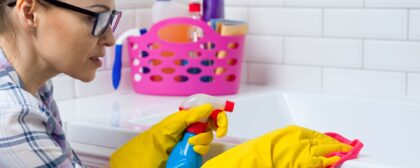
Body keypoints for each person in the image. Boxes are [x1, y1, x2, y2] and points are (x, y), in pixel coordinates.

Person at [0, 0, 353, 167]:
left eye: (113, 18)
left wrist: (147, 151)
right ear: (30, 12)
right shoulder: (13, 116)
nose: (110, 38)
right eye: (97, 18)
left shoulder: (35, 86)